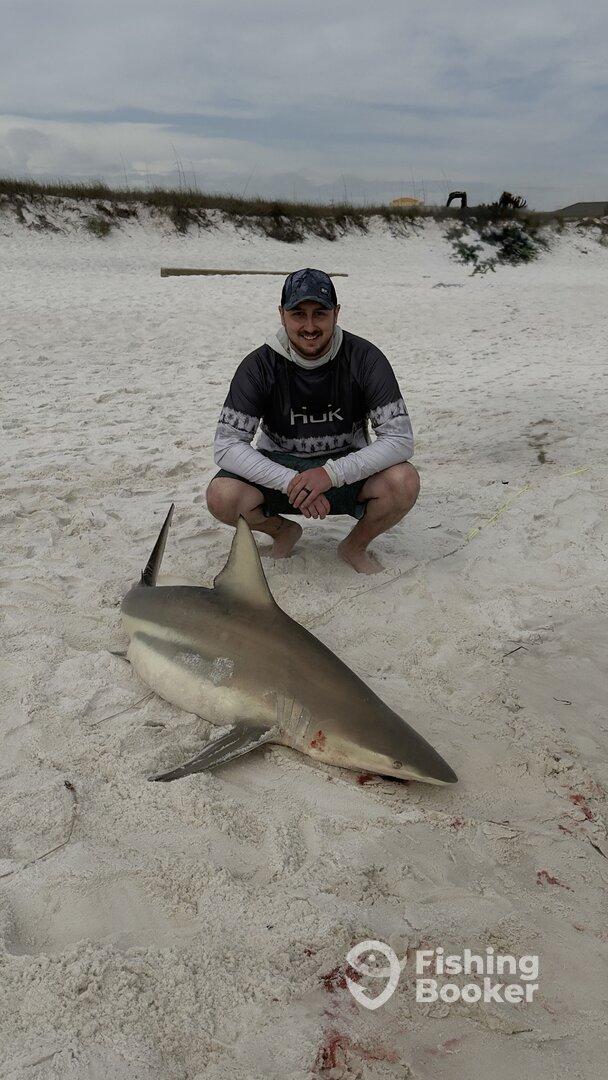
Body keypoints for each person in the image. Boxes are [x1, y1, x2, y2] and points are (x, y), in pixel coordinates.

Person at [206, 268, 420, 574]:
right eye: (298, 314)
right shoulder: (259, 365)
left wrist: (330, 474)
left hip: (345, 471)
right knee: (221, 496)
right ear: (281, 315)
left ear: (336, 313)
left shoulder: (365, 358)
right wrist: (290, 481)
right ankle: (283, 531)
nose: (309, 326)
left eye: (319, 313)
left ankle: (354, 546)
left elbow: (400, 440)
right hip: (280, 472)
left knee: (405, 481)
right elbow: (226, 446)